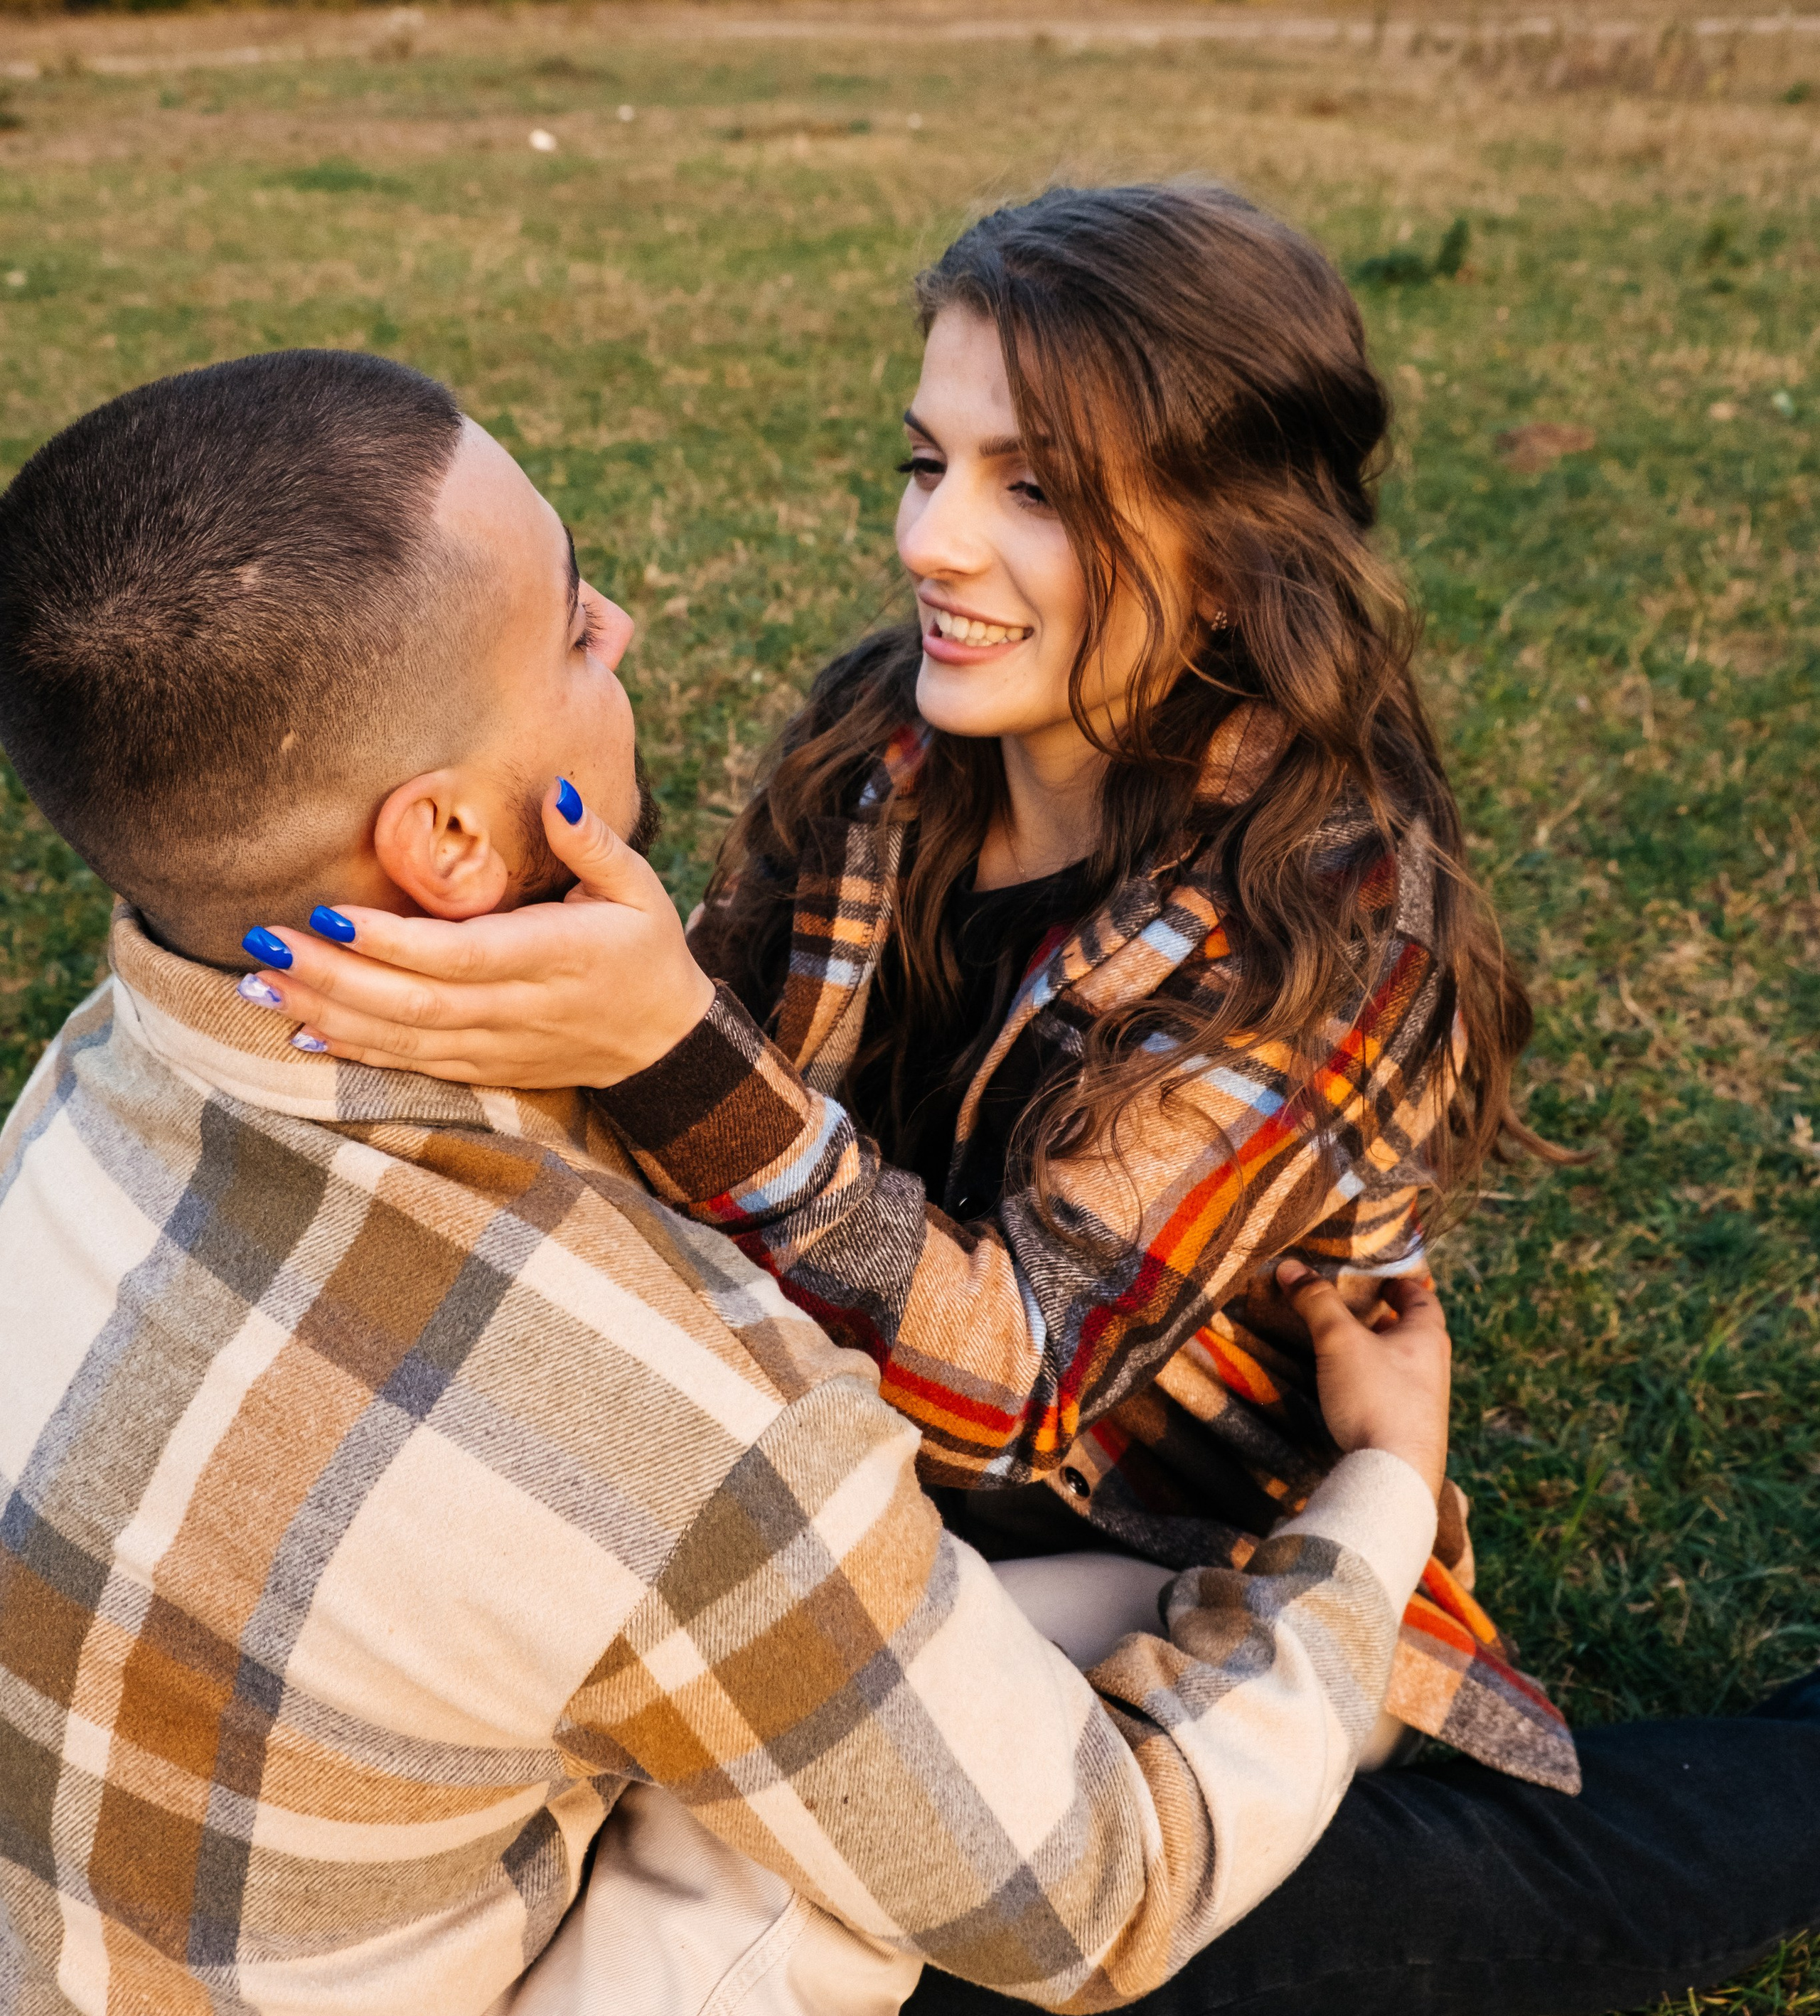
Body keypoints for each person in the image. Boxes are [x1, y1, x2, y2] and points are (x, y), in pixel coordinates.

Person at [2, 351, 1816, 2016]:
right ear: (435, 836)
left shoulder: (95, 1080)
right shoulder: (664, 1406)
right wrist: (1383, 1498)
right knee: (1428, 1890)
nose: (630, 630)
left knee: (1081, 1617)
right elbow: (1104, 1892)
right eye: (577, 615)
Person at [247, 182, 1575, 1793]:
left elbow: (1008, 1391)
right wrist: (505, 845)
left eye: (1036, 490)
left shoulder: (1338, 917)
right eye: (927, 462)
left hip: (1180, 1558)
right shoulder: (889, 736)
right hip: (847, 1459)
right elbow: (703, 1037)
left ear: (1231, 563)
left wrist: (666, 1045)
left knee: (657, 1794)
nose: (928, 539)